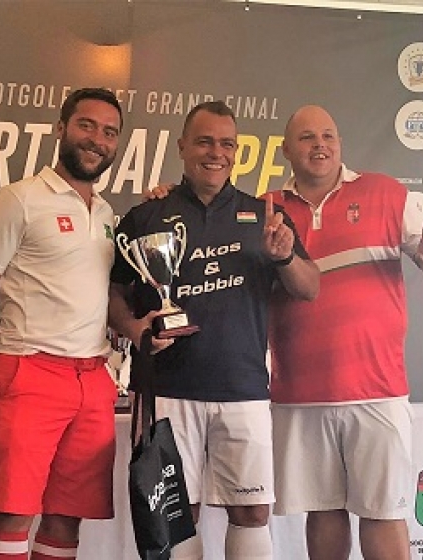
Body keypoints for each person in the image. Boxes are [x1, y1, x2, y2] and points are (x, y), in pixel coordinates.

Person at [109, 100, 320, 560]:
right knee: (176, 513)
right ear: (182, 146)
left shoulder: (264, 215)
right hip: (168, 391)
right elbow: (114, 295)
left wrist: (284, 256)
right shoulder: (147, 216)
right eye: (204, 141)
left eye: (227, 143)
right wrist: (133, 327)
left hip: (243, 390)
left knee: (252, 512)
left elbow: (309, 287)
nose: (216, 152)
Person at [267, 105, 423, 560]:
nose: (320, 145)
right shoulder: (266, 208)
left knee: (384, 513)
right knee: (323, 513)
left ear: (340, 144)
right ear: (286, 149)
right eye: (307, 137)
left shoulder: (386, 193)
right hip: (300, 393)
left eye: (328, 136)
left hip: (377, 390)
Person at [0, 87, 123, 560]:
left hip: (93, 378)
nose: (97, 140)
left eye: (109, 132)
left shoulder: (107, 213)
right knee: (13, 514)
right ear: (61, 128)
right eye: (86, 125)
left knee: (66, 518)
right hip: (29, 370)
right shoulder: (20, 198)